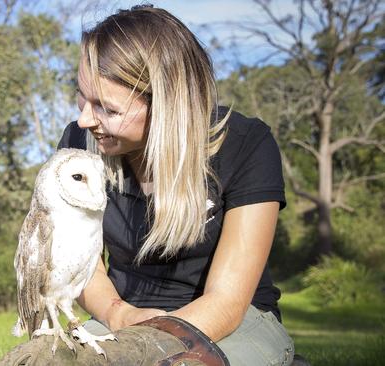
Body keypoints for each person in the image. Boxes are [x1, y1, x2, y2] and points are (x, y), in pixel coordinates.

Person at [57, 5, 294, 365]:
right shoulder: (79, 143)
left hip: (233, 321)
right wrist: (119, 315)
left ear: (167, 104)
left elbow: (228, 303)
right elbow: (82, 263)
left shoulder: (246, 144)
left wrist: (145, 344)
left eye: (107, 108)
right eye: (82, 95)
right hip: (120, 317)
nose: (84, 118)